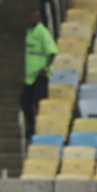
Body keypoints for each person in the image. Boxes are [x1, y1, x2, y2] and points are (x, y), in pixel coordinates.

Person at [22, 10, 57, 140]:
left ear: (39, 18)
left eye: (34, 17)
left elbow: (53, 52)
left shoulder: (43, 32)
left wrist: (46, 68)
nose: (31, 19)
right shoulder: (30, 32)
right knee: (25, 102)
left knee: (39, 103)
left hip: (40, 75)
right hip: (30, 76)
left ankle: (39, 129)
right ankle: (31, 127)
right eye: (30, 16)